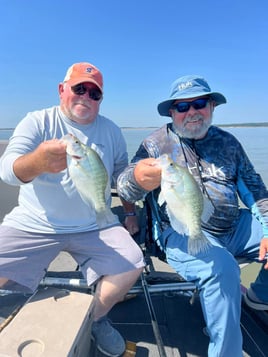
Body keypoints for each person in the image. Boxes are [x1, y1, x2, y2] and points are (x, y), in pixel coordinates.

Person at [0, 62, 144, 357]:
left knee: (132, 263)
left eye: (95, 93)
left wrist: (129, 211)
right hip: (34, 223)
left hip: (95, 222)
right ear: (62, 89)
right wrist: (37, 162)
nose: (86, 97)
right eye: (80, 88)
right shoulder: (37, 121)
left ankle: (95, 318)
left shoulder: (112, 131)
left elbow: (119, 176)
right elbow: (7, 171)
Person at [117, 74, 268, 356]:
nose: (192, 112)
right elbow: (124, 185)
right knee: (222, 268)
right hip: (181, 231)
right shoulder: (155, 144)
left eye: (199, 103)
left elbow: (256, 190)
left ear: (212, 106)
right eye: (183, 107)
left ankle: (261, 295)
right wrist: (138, 178)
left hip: (234, 227)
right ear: (172, 112)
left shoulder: (229, 143)